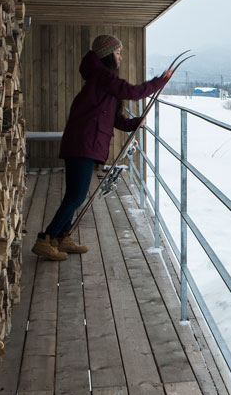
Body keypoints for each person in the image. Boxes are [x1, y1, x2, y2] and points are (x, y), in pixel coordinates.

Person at [32, 34, 172, 261]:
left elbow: (114, 120)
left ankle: (61, 237)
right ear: (107, 54)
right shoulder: (102, 76)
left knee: (74, 194)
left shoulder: (101, 80)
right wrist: (160, 82)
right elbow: (132, 92)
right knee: (76, 196)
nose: (121, 57)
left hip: (85, 142)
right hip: (82, 143)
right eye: (118, 53)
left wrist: (135, 123)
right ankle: (45, 239)